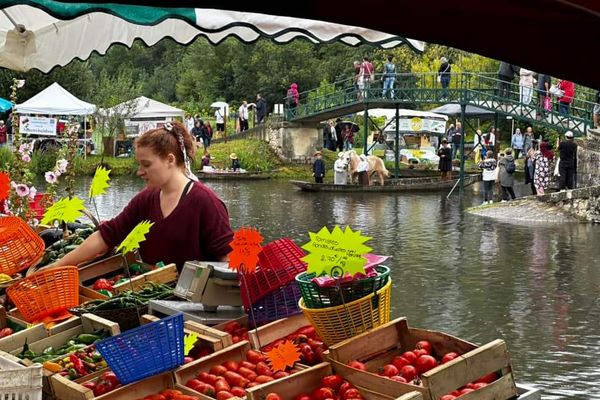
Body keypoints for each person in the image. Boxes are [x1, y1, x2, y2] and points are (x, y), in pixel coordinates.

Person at [52, 121, 233, 271]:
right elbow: (107, 236)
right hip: (153, 292)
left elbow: (227, 258)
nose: (140, 172)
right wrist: (59, 265)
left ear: (170, 160)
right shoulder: (146, 198)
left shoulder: (205, 202)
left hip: (192, 306)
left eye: (146, 164)